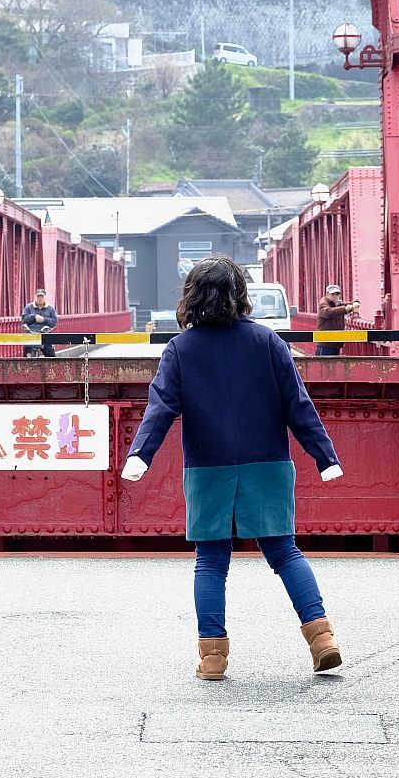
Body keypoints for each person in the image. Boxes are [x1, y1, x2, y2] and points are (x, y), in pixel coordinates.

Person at [121, 256, 345, 681]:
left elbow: (161, 407)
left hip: (209, 466)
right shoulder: (268, 342)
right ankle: (322, 639)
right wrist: (324, 456)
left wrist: (140, 454)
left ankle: (213, 658)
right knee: (283, 552)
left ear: (192, 296)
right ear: (240, 293)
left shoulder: (180, 349)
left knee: (210, 561)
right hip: (269, 462)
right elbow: (298, 405)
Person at [316, 285, 359, 357]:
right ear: (327, 294)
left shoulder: (336, 303)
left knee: (331, 366)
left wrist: (355, 303)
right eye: (333, 294)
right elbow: (327, 312)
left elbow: (347, 304)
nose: (335, 296)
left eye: (337, 294)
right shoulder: (323, 303)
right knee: (323, 365)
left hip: (335, 343)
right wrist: (345, 309)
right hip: (325, 343)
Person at [21, 287, 59, 358]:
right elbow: (24, 319)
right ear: (35, 297)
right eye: (38, 296)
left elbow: (54, 321)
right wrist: (34, 317)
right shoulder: (28, 307)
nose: (40, 298)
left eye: (42, 296)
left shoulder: (50, 309)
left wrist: (44, 320)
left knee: (51, 357)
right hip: (31, 334)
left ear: (44, 297)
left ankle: (50, 368)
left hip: (45, 333)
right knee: (26, 357)